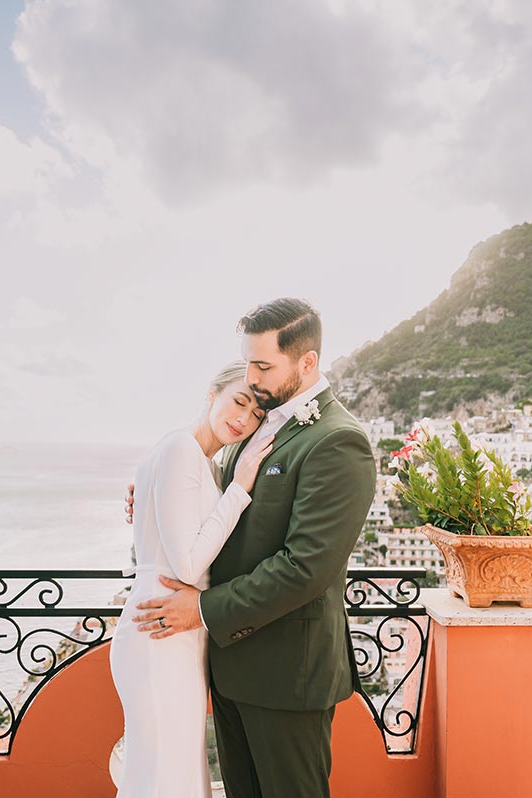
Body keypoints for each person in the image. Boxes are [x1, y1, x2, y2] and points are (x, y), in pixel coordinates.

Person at [129, 298, 377, 798]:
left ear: (307, 363)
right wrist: (155, 494)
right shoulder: (256, 428)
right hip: (231, 667)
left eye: (264, 365)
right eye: (248, 363)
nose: (253, 377)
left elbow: (305, 567)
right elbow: (217, 506)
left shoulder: (338, 441)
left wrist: (201, 608)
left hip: (287, 674)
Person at [110, 360, 274, 798]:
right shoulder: (183, 450)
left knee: (173, 768)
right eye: (238, 402)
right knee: (162, 771)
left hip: (177, 627)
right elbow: (185, 566)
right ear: (212, 394)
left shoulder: (204, 464)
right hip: (159, 625)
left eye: (256, 415)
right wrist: (240, 490)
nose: (243, 419)